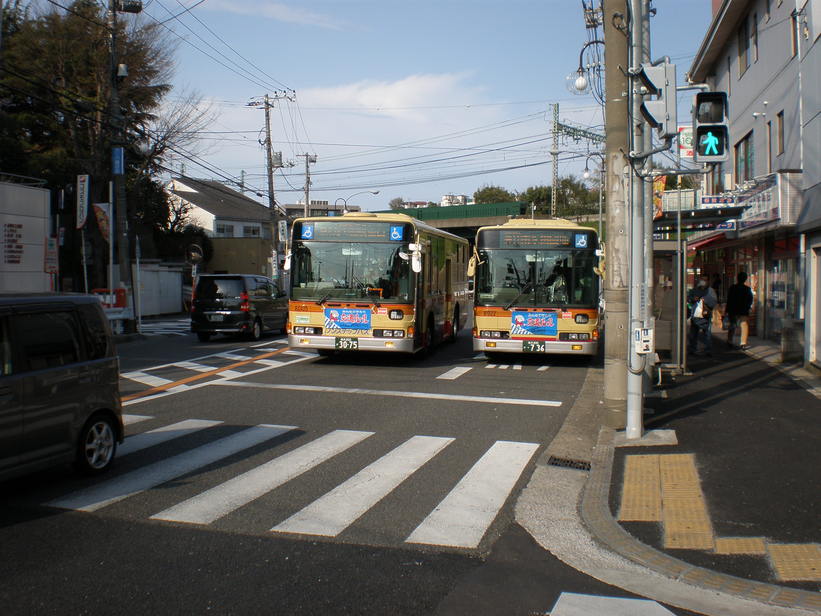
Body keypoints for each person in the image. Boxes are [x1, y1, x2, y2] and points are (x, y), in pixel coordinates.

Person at [687, 276, 718, 356]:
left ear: (708, 281)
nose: (703, 281)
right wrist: (693, 299)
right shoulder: (695, 290)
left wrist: (704, 300)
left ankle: (708, 349)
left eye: (705, 280)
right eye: (702, 280)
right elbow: (689, 299)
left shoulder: (710, 291)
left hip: (706, 315)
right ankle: (692, 349)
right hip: (695, 315)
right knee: (693, 333)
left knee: (707, 333)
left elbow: (713, 302)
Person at [726, 271, 754, 349]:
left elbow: (729, 299)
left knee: (732, 325)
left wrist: (727, 310)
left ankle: (729, 340)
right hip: (743, 310)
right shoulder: (747, 289)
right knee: (744, 325)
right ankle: (743, 343)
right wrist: (748, 307)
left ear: (737, 278)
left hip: (733, 310)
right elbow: (750, 300)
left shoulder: (732, 288)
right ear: (745, 279)